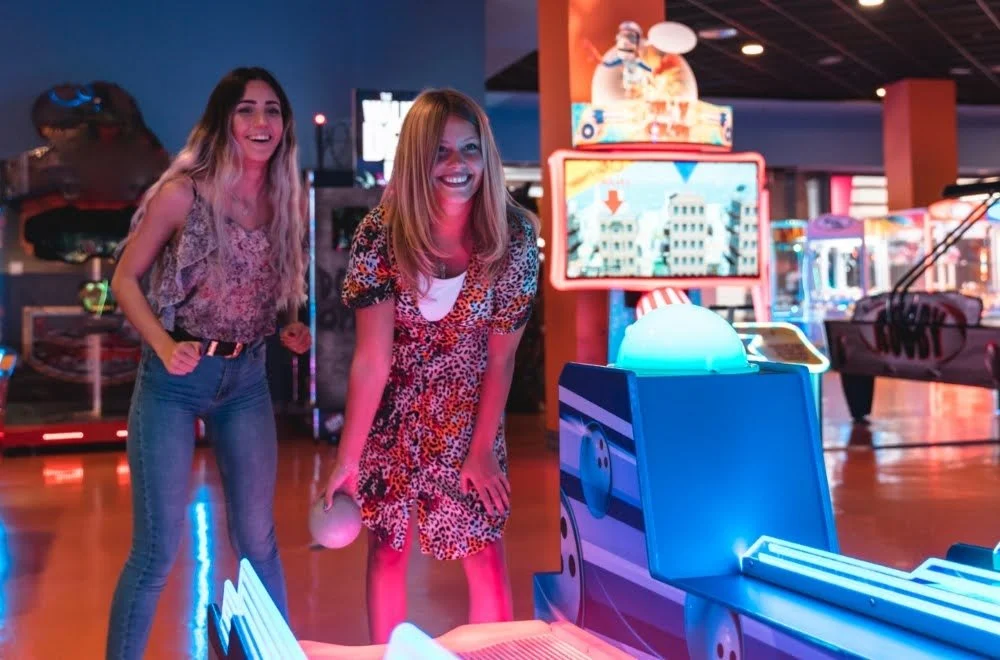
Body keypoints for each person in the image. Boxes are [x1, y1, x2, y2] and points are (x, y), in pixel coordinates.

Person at [106, 67, 311, 660]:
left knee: (259, 542)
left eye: (272, 110)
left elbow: (268, 286)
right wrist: (165, 346)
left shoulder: (284, 196)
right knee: (155, 551)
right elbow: (125, 278)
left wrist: (289, 325)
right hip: (174, 381)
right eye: (247, 110)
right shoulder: (183, 192)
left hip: (245, 380)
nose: (261, 122)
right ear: (224, 120)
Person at [322, 88, 539, 644]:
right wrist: (349, 457)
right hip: (396, 412)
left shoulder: (513, 234)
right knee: (387, 549)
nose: (457, 165)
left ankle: (497, 657)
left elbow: (502, 355)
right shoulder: (382, 233)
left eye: (469, 149)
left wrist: (484, 446)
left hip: (470, 413)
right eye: (440, 151)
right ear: (416, 158)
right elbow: (372, 360)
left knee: (483, 545)